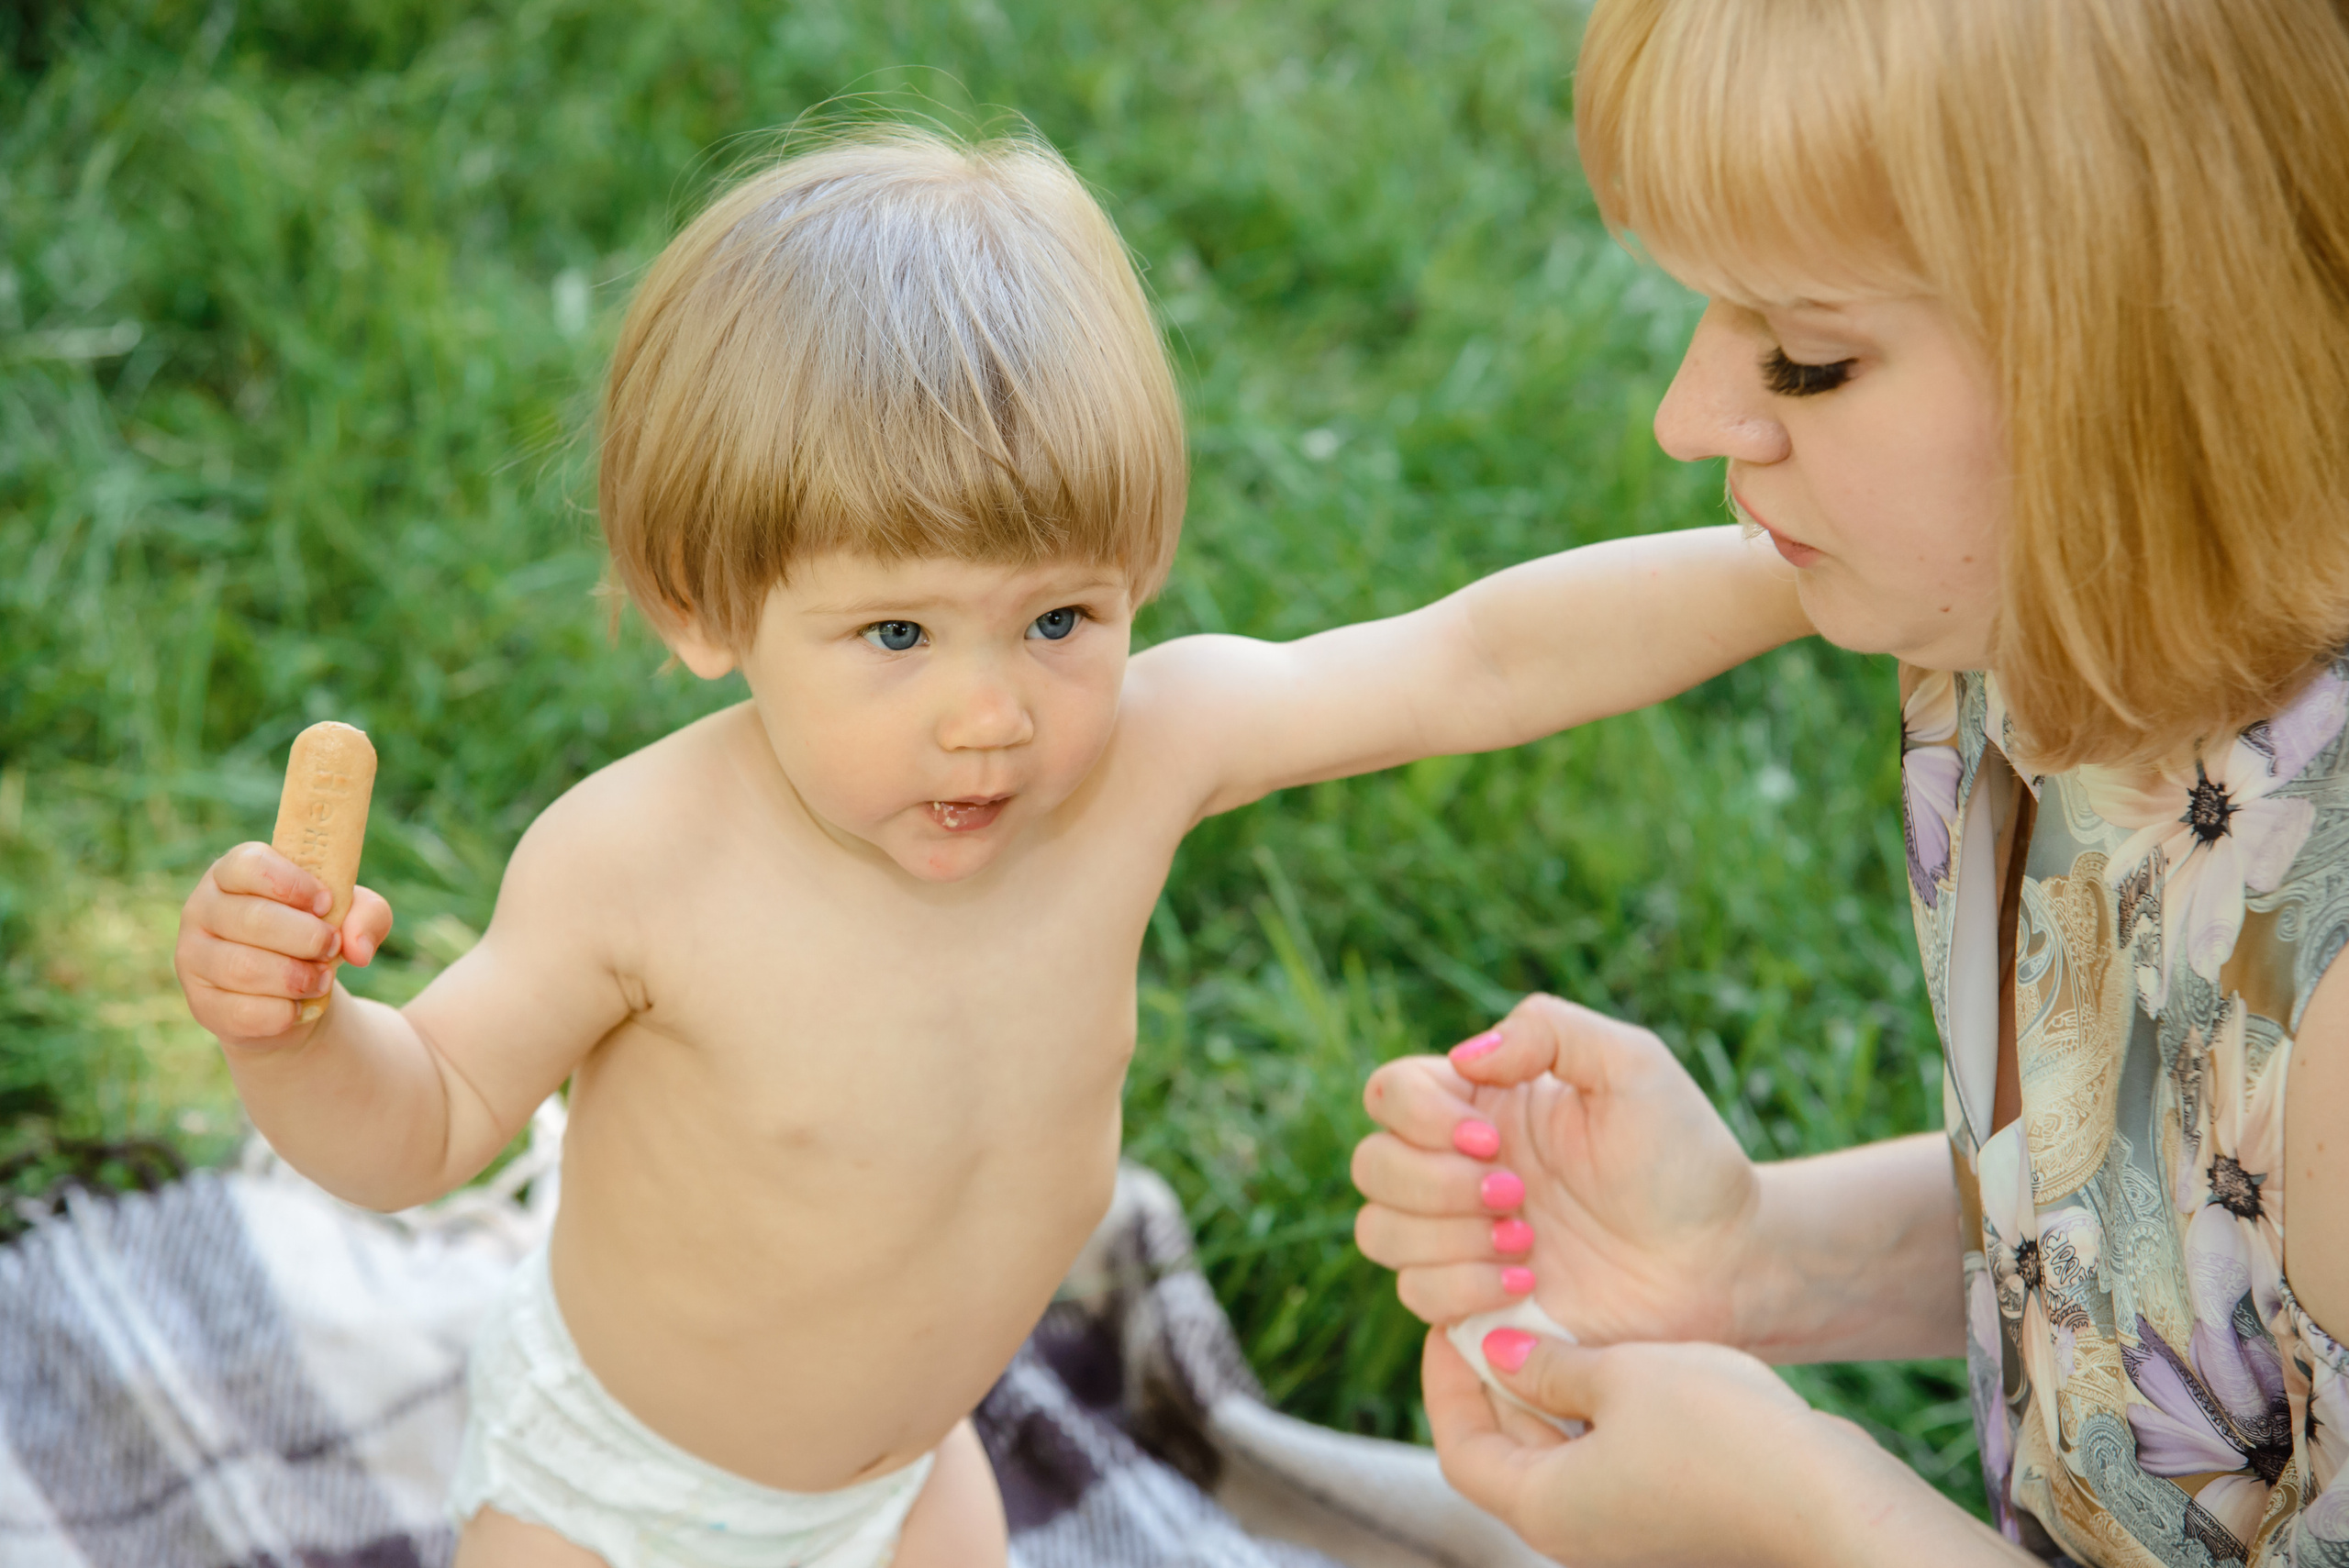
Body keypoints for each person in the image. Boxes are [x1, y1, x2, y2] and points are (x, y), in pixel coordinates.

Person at [170, 125, 1809, 1568]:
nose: (992, 716)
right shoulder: (642, 864)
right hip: (617, 1493)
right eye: (897, 632)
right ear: (702, 605)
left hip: (904, 1480)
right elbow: (424, 1122)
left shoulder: (1150, 753)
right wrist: (296, 1034)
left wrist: (1796, 565)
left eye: (1058, 619)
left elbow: (1474, 660)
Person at [1351, 0, 2349, 1563]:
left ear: (2142, 361)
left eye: (1807, 357)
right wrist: (1749, 1255)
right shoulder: (2037, 625)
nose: (1688, 419)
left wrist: (1815, 1517)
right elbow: (2152, 1234)